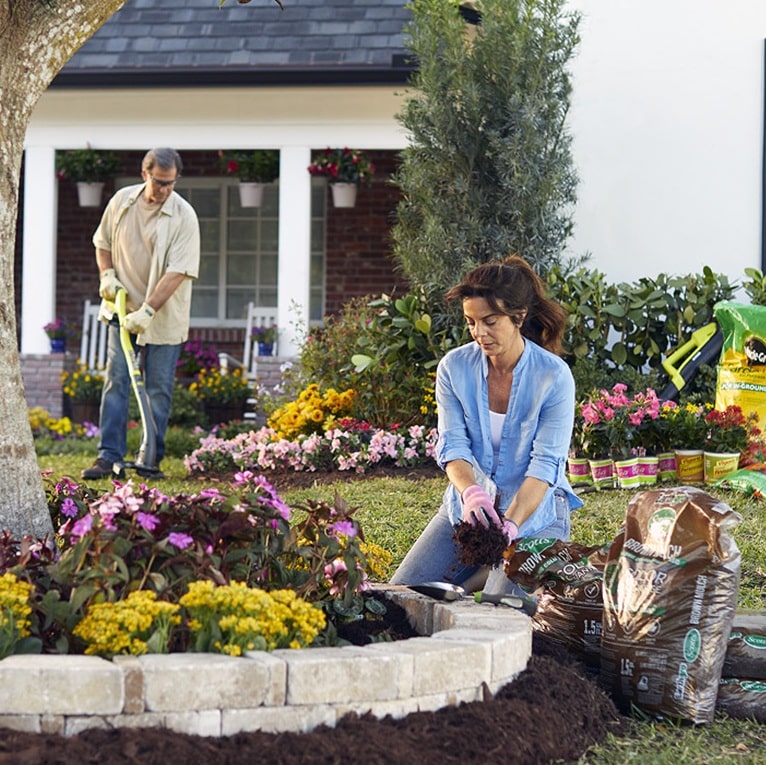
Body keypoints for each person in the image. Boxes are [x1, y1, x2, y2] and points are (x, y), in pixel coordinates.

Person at [390, 255, 583, 597]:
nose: (480, 333)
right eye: (470, 322)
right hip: (470, 514)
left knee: (502, 609)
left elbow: (545, 465)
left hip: (536, 517)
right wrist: (471, 493)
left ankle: (485, 579)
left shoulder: (553, 377)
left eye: (490, 321)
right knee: (402, 596)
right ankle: (480, 573)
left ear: (518, 317)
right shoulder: (454, 368)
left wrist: (511, 523)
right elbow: (453, 446)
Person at [81, 148, 200, 480]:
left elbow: (178, 271)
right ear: (145, 174)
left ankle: (150, 458)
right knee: (116, 382)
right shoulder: (122, 202)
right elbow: (102, 242)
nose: (164, 190)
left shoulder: (184, 216)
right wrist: (107, 275)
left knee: (159, 388)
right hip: (120, 312)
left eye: (171, 183)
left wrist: (148, 310)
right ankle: (108, 457)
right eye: (160, 182)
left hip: (161, 317)